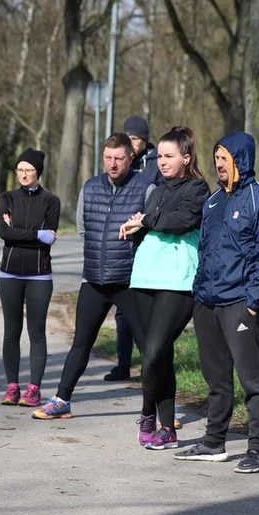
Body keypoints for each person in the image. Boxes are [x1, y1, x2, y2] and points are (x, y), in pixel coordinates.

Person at [174, 131, 259, 473]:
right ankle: (214, 442)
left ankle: (257, 449)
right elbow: (205, 250)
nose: (219, 164)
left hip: (240, 303)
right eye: (217, 158)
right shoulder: (213, 201)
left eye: (225, 158)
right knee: (215, 378)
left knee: (252, 380)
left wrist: (253, 303)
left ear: (241, 160)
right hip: (207, 301)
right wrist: (198, 294)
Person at [32, 133, 152, 420]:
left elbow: (151, 231)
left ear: (130, 158)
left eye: (119, 159)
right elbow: (83, 229)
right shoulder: (90, 187)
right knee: (81, 344)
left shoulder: (146, 189)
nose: (112, 164)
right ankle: (62, 400)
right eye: (108, 158)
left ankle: (161, 409)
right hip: (94, 280)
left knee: (150, 348)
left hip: (129, 281)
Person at [118, 127, 209, 449]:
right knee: (156, 355)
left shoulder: (198, 189)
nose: (162, 162)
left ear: (186, 158)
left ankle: (147, 414)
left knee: (155, 351)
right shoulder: (155, 190)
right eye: (159, 156)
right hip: (144, 277)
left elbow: (181, 221)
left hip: (178, 280)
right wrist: (135, 225)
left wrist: (149, 220)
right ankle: (167, 428)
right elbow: (156, 220)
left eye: (169, 156)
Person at [0, 148, 60, 408]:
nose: (23, 174)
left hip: (39, 276)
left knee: (37, 333)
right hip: (9, 274)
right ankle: (12, 387)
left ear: (38, 172)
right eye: (20, 170)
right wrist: (35, 235)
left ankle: (33, 389)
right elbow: (4, 233)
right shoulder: (6, 198)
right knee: (11, 332)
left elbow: (50, 237)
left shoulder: (50, 201)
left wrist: (17, 230)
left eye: (29, 170)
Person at [107, 114, 159, 383]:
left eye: (136, 138)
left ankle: (148, 365)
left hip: (147, 239)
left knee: (142, 310)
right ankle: (122, 364)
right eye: (129, 137)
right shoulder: (121, 160)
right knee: (122, 312)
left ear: (145, 140)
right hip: (123, 242)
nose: (132, 141)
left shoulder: (155, 162)